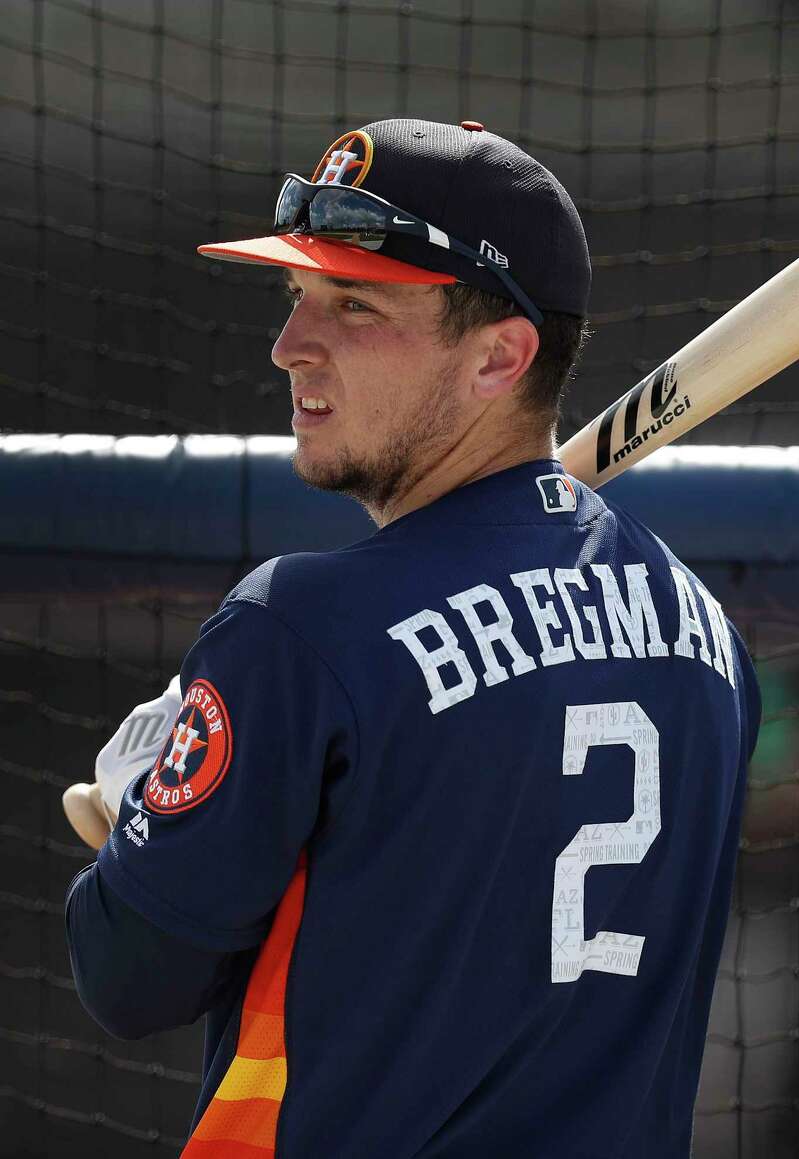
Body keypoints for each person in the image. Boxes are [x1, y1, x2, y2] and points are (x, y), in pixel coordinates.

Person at [64, 117, 761, 1158]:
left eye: (354, 306)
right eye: (298, 296)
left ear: (499, 359)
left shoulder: (298, 630)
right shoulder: (704, 632)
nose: (290, 344)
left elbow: (128, 976)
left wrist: (143, 818)